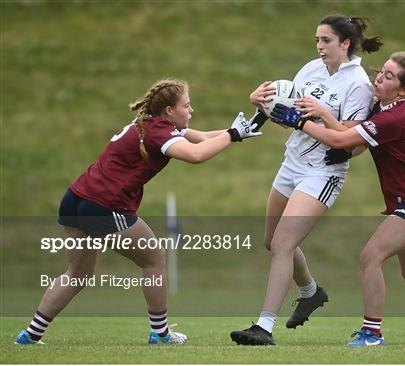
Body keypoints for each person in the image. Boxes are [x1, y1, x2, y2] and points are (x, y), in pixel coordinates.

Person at [15, 78, 261, 345]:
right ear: (169, 110)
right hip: (104, 205)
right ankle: (160, 333)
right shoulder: (160, 133)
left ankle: (30, 335)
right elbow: (196, 155)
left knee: (77, 274)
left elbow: (203, 138)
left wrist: (247, 126)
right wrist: (233, 134)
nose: (191, 110)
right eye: (187, 105)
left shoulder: (150, 124)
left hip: (75, 198)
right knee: (154, 259)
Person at [270, 51, 405, 346]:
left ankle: (372, 334)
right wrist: (323, 115)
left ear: (404, 90)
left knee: (370, 257)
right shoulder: (382, 108)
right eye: (382, 71)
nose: (379, 77)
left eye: (390, 76)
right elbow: (347, 131)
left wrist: (301, 121)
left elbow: (342, 140)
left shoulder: (395, 117)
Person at [230, 15, 383, 346]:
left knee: (284, 244)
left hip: (323, 172)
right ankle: (311, 293)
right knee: (272, 242)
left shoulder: (358, 83)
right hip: (292, 163)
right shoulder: (310, 69)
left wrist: (318, 115)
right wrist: (263, 103)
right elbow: (290, 119)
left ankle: (264, 327)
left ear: (345, 43)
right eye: (316, 40)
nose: (319, 47)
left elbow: (353, 142)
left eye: (326, 41)